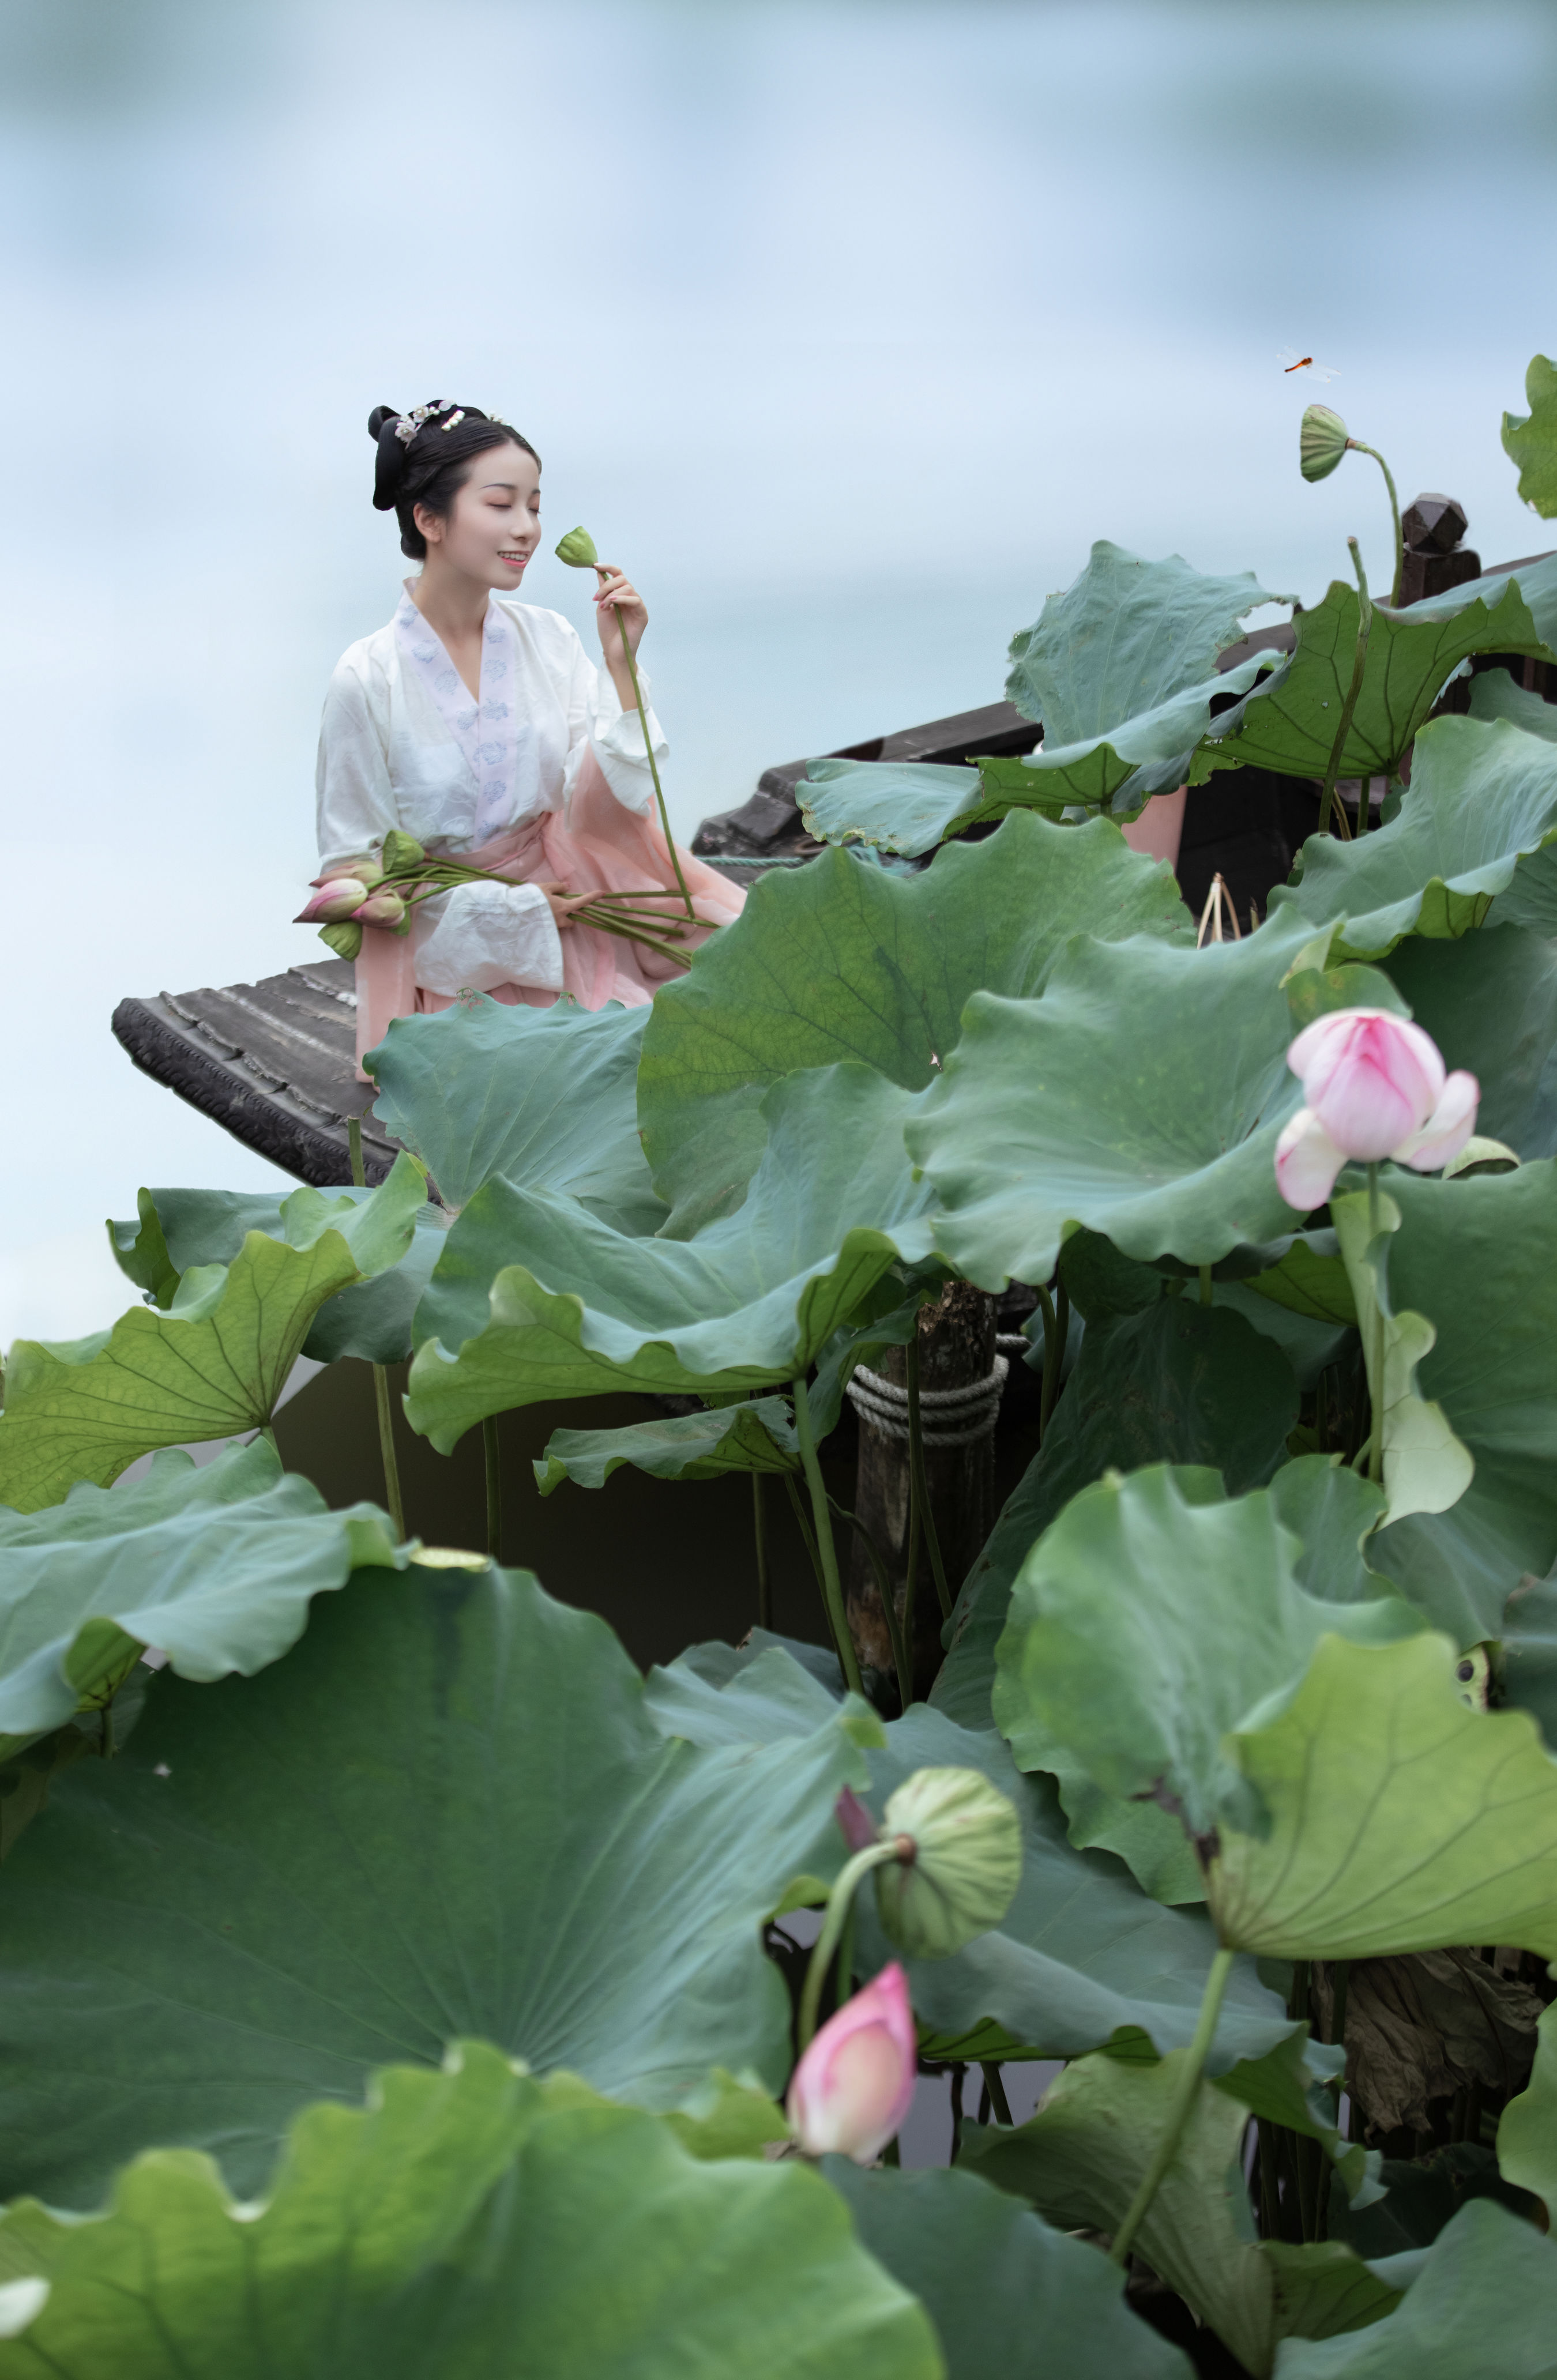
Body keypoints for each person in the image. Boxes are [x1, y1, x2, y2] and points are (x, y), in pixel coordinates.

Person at [314, 400, 742, 1074]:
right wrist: (513, 916)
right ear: (429, 519)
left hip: (587, 906)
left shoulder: (550, 638)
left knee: (749, 988)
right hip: (464, 964)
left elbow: (602, 811)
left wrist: (623, 669)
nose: (528, 529)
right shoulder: (365, 680)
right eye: (501, 504)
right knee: (615, 1071)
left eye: (535, 507)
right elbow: (359, 879)